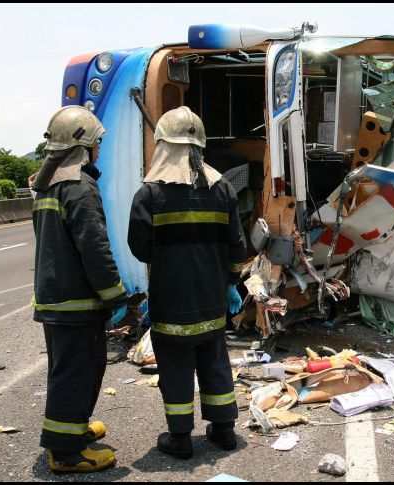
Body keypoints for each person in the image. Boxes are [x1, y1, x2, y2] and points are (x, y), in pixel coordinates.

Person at [127, 106, 247, 459]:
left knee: (176, 367)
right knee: (214, 360)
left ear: (163, 145)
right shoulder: (223, 188)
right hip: (212, 297)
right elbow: (237, 246)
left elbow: (140, 248)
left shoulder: (149, 195)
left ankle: (180, 438)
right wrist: (230, 282)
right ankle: (224, 430)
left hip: (171, 298)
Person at [31, 106, 128, 473]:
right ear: (84, 144)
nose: (100, 147)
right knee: (77, 372)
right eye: (98, 141)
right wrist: (116, 295)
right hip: (76, 302)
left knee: (68, 368)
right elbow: (94, 246)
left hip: (54, 298)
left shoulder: (48, 183)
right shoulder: (79, 186)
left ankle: (72, 429)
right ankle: (65, 452)